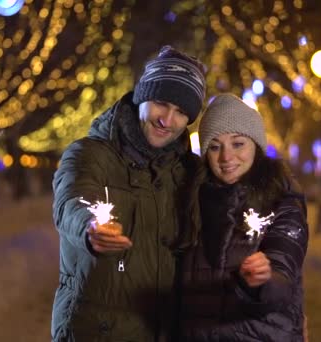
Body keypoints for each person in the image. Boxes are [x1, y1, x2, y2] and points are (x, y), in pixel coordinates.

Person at [50, 46, 206, 341]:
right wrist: (90, 227)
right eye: (162, 103)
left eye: (182, 111)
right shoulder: (89, 153)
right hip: (96, 331)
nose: (167, 120)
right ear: (142, 96)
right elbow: (73, 200)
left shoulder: (191, 172)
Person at [178, 93, 309, 341]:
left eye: (238, 144)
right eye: (215, 147)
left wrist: (264, 280)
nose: (226, 157)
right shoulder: (193, 200)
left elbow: (284, 268)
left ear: (256, 146)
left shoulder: (282, 198)